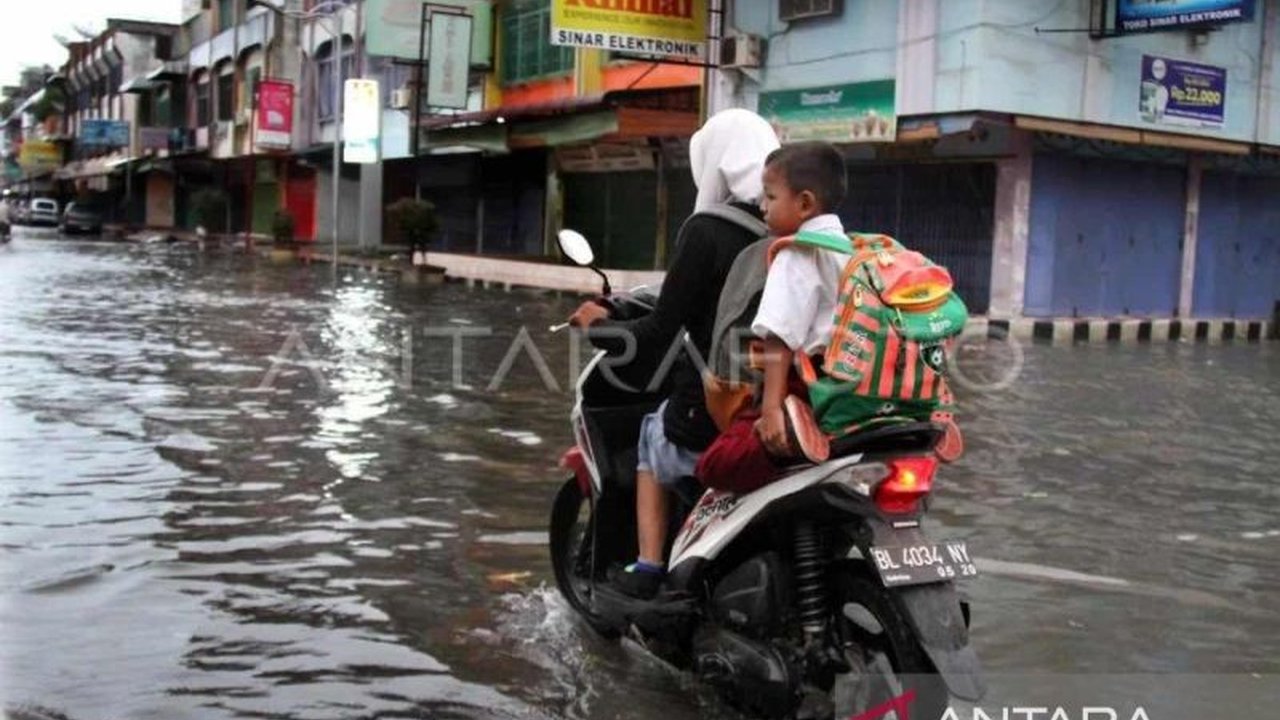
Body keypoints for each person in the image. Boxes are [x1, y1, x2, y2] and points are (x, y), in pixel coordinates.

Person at [568, 109, 780, 600]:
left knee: (653, 434)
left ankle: (647, 566)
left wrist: (600, 326)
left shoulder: (706, 229)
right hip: (786, 399)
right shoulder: (791, 223)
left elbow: (662, 329)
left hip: (719, 401)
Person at [695, 141, 851, 493]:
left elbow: (778, 338)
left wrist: (771, 413)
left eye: (770, 197)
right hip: (843, 388)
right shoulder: (853, 250)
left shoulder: (795, 253)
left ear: (805, 203)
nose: (763, 207)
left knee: (714, 464)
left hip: (802, 390)